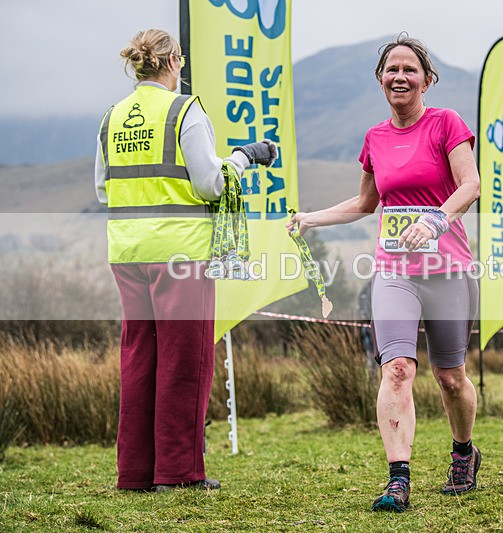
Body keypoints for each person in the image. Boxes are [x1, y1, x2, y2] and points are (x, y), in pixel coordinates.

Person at [287, 33, 481, 512]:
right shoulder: (374, 138)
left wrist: (435, 219)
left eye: (409, 69)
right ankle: (398, 478)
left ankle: (463, 453)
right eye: (391, 70)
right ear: (380, 80)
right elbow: (365, 203)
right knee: (396, 370)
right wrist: (310, 218)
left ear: (426, 80)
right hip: (394, 270)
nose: (400, 76)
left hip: (446, 268)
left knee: (450, 377)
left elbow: (471, 185)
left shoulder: (445, 123)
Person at [95, 29, 277, 492]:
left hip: (127, 251)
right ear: (175, 61)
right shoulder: (185, 111)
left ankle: (134, 473)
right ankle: (178, 472)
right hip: (181, 254)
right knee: (184, 360)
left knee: (139, 358)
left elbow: (103, 189)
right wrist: (245, 156)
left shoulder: (111, 118)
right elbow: (210, 184)